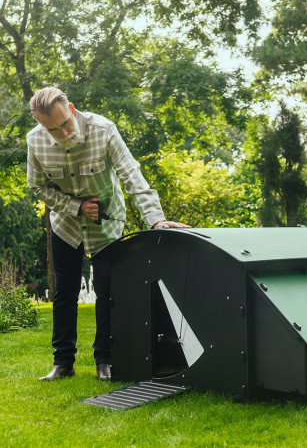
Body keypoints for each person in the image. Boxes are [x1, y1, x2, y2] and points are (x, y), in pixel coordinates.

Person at [27, 87, 189, 381]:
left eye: (65, 124)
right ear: (41, 125)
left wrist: (156, 220)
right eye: (53, 130)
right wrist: (75, 206)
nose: (62, 133)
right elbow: (38, 187)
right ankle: (63, 362)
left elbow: (131, 175)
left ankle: (105, 360)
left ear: (72, 109)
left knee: (107, 292)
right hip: (66, 225)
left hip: (107, 224)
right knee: (64, 293)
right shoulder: (34, 141)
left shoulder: (104, 130)